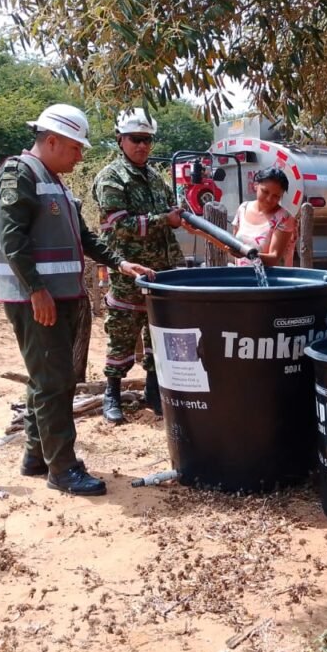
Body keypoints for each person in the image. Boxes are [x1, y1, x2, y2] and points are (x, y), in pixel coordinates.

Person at [0, 103, 155, 497]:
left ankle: (37, 455)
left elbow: (84, 238)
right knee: (55, 382)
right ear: (51, 141)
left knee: (47, 379)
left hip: (58, 296)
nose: (81, 156)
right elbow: (12, 240)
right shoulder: (20, 173)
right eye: (75, 148)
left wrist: (120, 262)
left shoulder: (54, 181)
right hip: (37, 299)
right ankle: (62, 469)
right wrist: (36, 290)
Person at [92, 108, 184, 424]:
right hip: (128, 272)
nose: (142, 146)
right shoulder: (111, 177)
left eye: (147, 140)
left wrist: (177, 219)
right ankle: (112, 395)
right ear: (120, 139)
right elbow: (119, 225)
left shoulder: (156, 179)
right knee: (121, 334)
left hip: (163, 273)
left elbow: (170, 215)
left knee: (158, 334)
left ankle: (155, 393)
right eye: (135, 139)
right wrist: (163, 220)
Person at [232, 167, 296, 266]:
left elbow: (274, 258)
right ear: (255, 185)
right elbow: (233, 244)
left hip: (271, 280)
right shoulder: (243, 209)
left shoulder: (284, 218)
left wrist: (244, 253)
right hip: (242, 278)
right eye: (265, 192)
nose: (269, 199)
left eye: (276, 196)